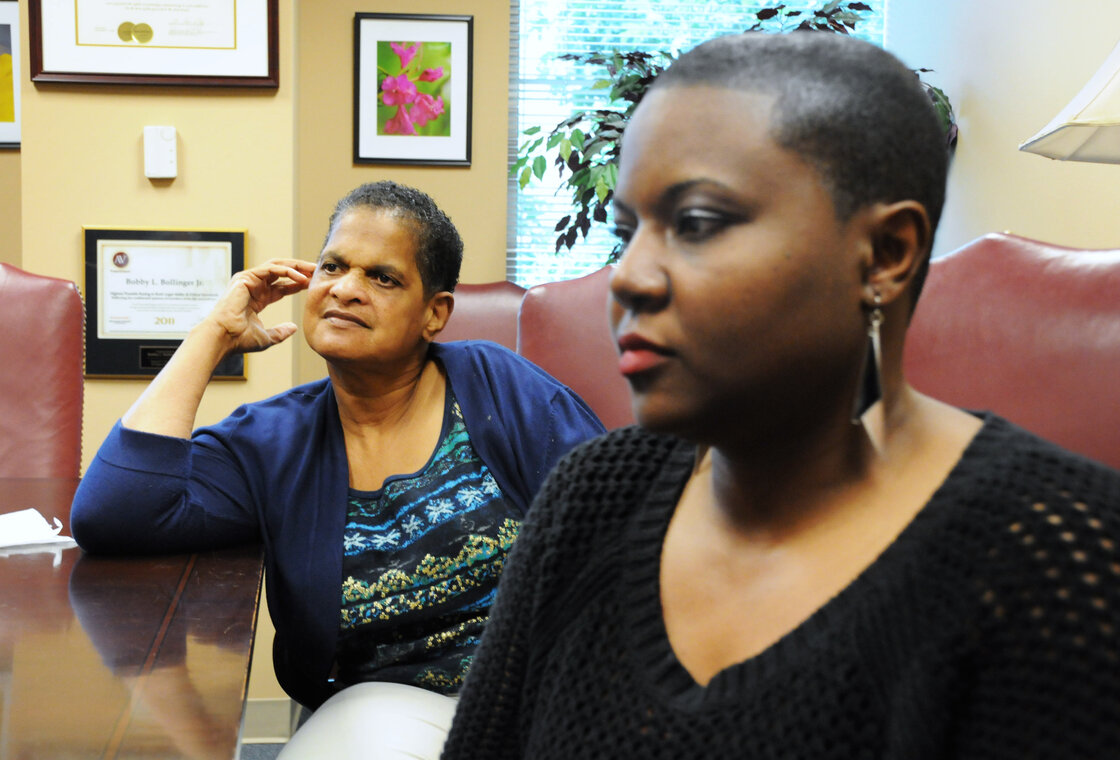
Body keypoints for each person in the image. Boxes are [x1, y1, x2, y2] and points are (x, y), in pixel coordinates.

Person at [439, 32, 1120, 759]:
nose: (628, 278)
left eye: (696, 224)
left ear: (886, 254)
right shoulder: (591, 499)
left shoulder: (1059, 556)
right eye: (628, 231)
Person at [70, 181, 605, 754]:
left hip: (556, 699)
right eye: (332, 266)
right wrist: (212, 335)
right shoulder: (273, 441)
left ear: (434, 313)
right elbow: (113, 513)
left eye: (383, 277)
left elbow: (618, 537)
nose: (346, 289)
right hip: (393, 714)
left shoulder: (499, 387)